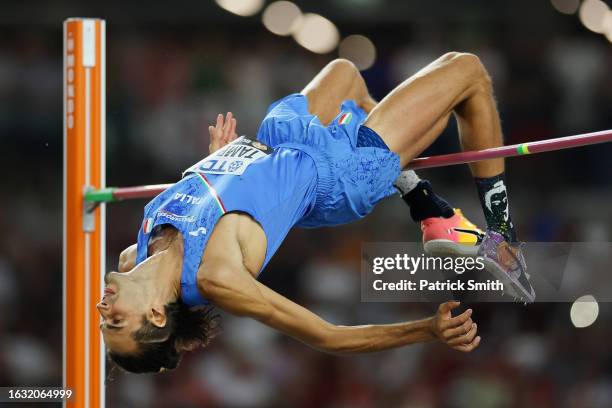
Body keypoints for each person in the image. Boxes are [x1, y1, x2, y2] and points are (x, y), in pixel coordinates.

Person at [98, 54, 534, 374]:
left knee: (346, 72)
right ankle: (502, 238)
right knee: (468, 71)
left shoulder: (132, 257)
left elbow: (209, 203)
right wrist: (427, 330)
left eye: (104, 321)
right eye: (116, 321)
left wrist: (218, 162)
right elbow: (329, 336)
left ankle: (420, 199)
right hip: (336, 175)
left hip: (280, 138)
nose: (102, 309)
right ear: (157, 314)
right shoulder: (217, 278)